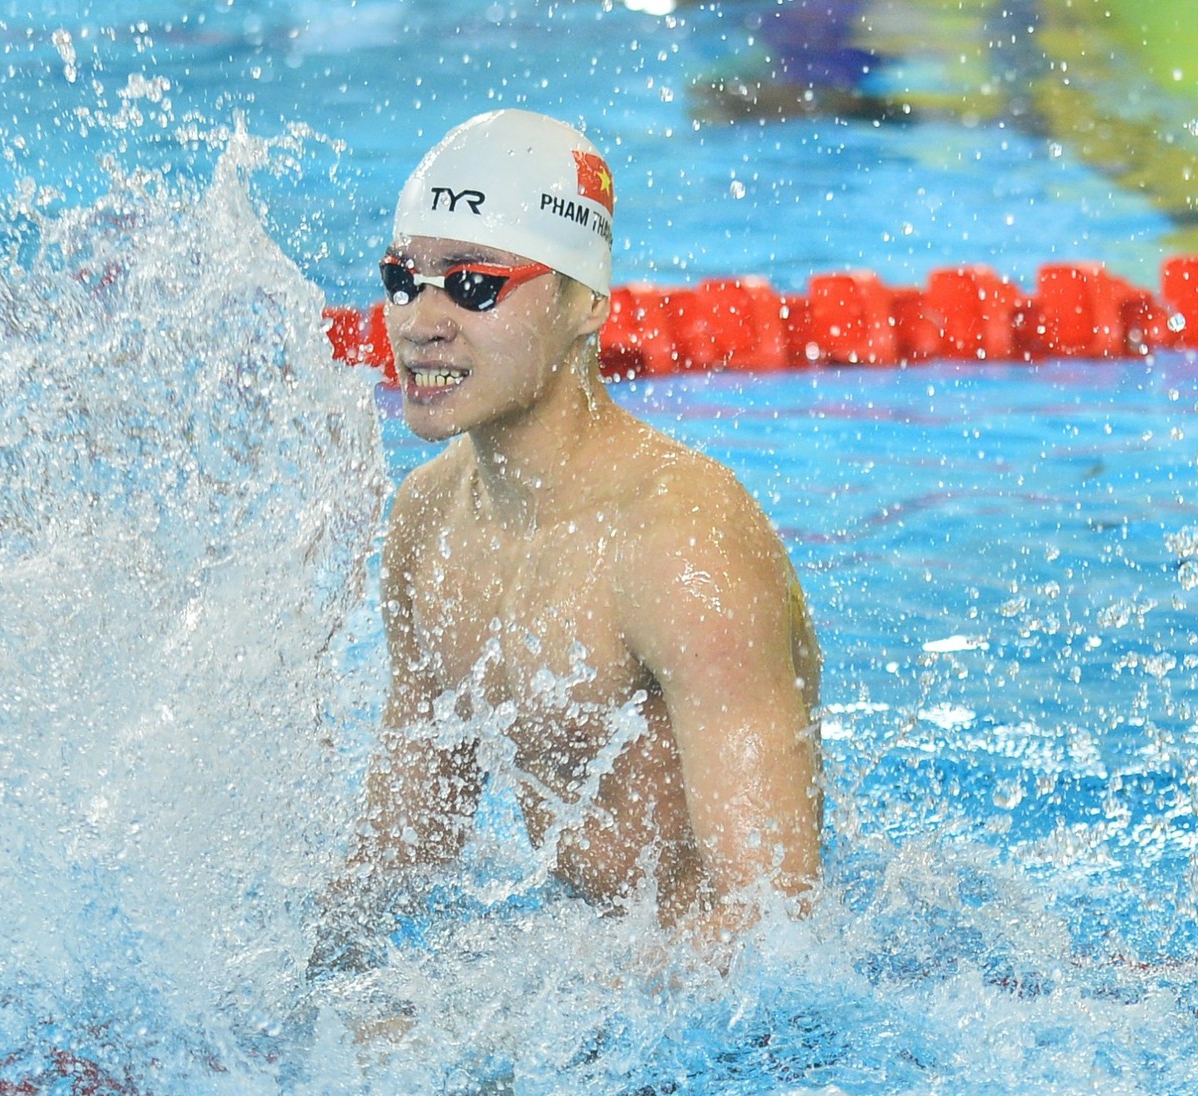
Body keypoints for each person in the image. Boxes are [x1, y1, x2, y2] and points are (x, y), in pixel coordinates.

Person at [313, 110, 825, 976]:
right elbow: (401, 860)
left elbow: (775, 929)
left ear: (587, 303)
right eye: (404, 279)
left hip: (739, 1043)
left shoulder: (681, 548)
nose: (417, 321)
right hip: (603, 981)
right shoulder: (429, 523)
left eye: (473, 284)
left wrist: (497, 1032)